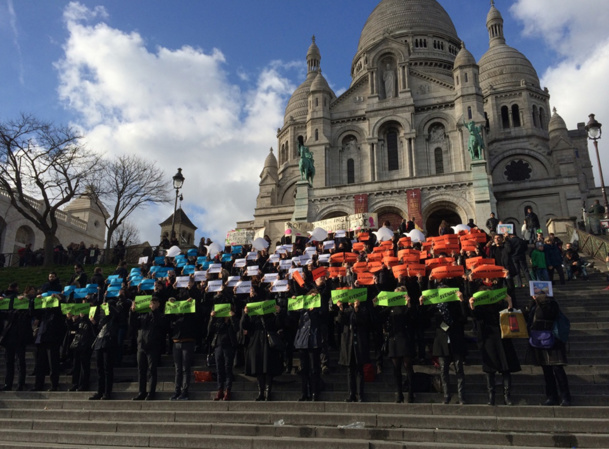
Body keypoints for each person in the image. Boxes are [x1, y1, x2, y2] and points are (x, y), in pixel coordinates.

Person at [468, 289, 521, 406]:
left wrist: (510, 303)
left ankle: (507, 396)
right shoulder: (481, 307)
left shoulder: (501, 304)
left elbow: (511, 315)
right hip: (488, 338)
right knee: (490, 368)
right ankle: (491, 396)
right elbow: (476, 316)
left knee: (505, 368)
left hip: (503, 337)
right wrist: (471, 305)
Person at [419, 288, 468, 404]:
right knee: (443, 370)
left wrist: (461, 301)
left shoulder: (454, 304)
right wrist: (422, 304)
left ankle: (462, 396)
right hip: (441, 341)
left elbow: (464, 318)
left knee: (459, 369)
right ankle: (447, 395)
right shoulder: (435, 307)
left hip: (455, 339)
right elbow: (424, 320)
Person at [526, 293, 571, 406]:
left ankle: (565, 396)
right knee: (547, 371)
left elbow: (549, 312)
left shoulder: (550, 304)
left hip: (553, 341)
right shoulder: (535, 305)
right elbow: (527, 317)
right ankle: (552, 396)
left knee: (557, 369)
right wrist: (533, 303)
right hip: (540, 340)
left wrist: (540, 300)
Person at [373, 287, 416, 403]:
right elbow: (379, 317)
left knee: (408, 366)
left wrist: (409, 304)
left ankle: (411, 393)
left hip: (405, 338)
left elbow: (412, 318)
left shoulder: (406, 306)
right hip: (393, 339)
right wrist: (376, 305)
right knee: (396, 368)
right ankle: (399, 393)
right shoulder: (390, 307)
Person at [241, 288, 284, 401]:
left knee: (268, 368)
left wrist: (279, 313)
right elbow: (245, 326)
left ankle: (267, 392)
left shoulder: (272, 315)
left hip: (268, 343)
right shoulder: (254, 315)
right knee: (259, 368)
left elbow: (278, 325)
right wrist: (245, 314)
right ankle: (261, 392)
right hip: (256, 342)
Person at [130, 296, 167, 401]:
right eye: (151, 303)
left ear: (158, 304)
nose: (152, 304)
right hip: (141, 346)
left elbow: (160, 325)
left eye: (154, 302)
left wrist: (154, 311)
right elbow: (133, 325)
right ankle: (141, 392)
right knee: (141, 370)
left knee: (152, 370)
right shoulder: (142, 315)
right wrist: (132, 312)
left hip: (153, 346)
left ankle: (151, 392)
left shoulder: (160, 315)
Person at [293, 289, 323, 402]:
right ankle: (304, 393)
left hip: (314, 341)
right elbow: (291, 318)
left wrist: (314, 309)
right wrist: (294, 304)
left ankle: (315, 392)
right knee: (304, 369)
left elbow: (322, 318)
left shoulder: (318, 310)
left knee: (314, 368)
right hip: (302, 342)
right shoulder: (302, 310)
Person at [1, 285, 33, 391]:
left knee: (20, 362)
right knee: (9, 362)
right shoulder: (10, 313)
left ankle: (20, 383)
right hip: (9, 339)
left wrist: (26, 300)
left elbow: (31, 312)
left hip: (20, 339)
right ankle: (8, 384)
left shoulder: (25, 313)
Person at [337, 297, 370, 402]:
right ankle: (351, 394)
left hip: (359, 341)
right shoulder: (346, 310)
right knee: (350, 369)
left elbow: (364, 322)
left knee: (359, 369)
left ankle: (360, 394)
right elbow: (341, 321)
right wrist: (341, 309)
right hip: (348, 342)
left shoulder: (363, 309)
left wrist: (357, 310)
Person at [208, 296, 239, 401]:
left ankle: (228, 390)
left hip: (229, 346)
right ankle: (220, 390)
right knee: (219, 369)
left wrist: (232, 317)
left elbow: (236, 329)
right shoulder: (218, 320)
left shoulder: (232, 320)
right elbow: (210, 330)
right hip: (218, 345)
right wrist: (212, 318)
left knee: (227, 368)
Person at [167, 297, 198, 400]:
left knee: (185, 368)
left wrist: (191, 303)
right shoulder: (175, 316)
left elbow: (197, 318)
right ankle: (177, 391)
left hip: (187, 342)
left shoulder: (191, 315)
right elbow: (168, 319)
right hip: (176, 342)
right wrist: (171, 304)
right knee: (178, 369)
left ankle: (185, 391)